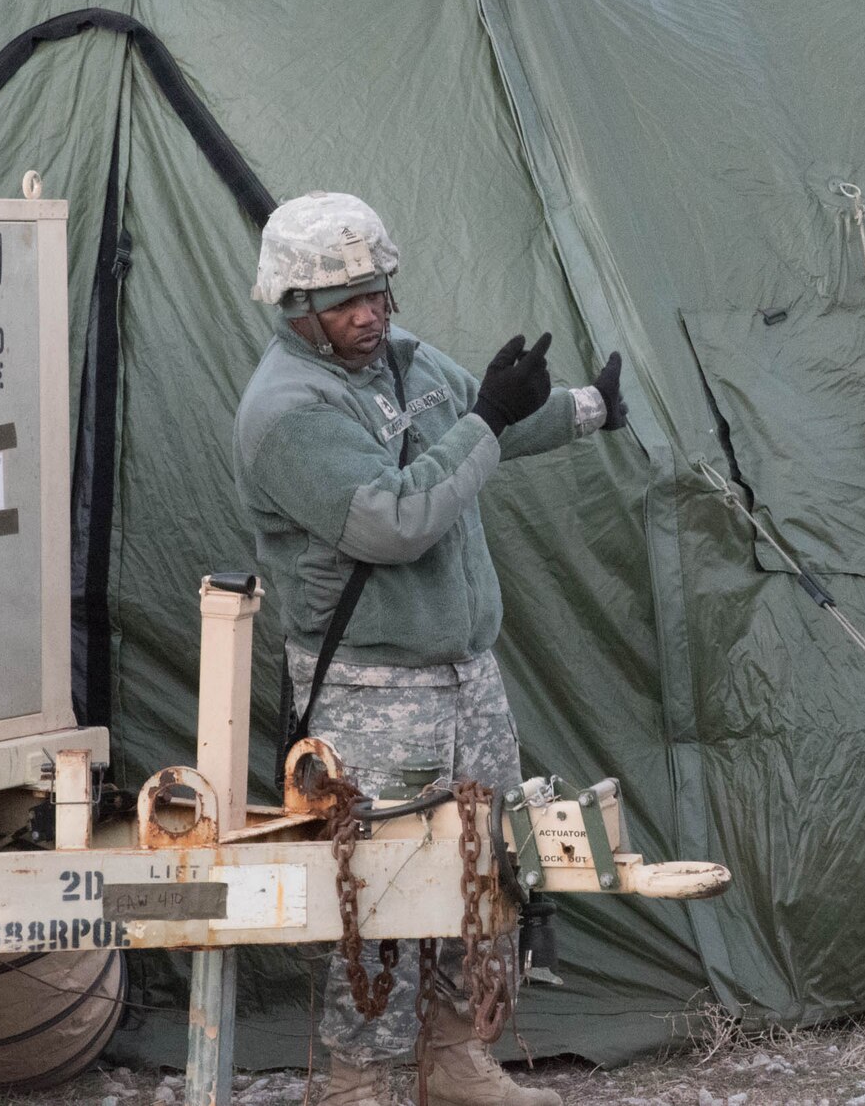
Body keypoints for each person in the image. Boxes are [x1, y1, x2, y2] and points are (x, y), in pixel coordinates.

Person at [233, 192, 625, 1106]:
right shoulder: (285, 410)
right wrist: (485, 419)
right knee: (381, 886)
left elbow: (491, 419)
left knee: (486, 864)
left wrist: (590, 408)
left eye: (378, 292)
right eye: (345, 302)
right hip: (371, 684)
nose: (370, 314)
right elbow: (395, 519)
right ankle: (361, 1077)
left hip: (466, 672)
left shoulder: (401, 362)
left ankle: (454, 1055)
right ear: (296, 308)